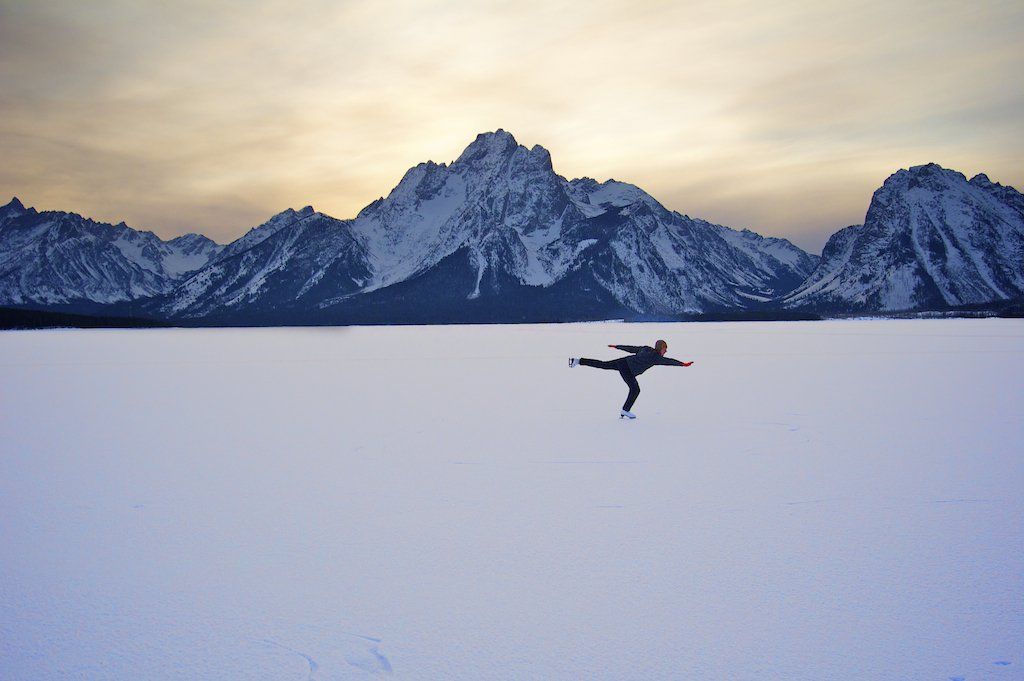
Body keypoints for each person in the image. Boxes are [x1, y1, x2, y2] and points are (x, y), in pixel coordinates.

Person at [569, 340, 693, 419]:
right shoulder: (656, 357)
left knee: (603, 364)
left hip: (623, 362)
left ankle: (578, 361)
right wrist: (682, 364)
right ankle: (625, 410)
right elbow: (669, 361)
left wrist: (617, 346)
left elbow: (631, 348)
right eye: (664, 349)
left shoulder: (646, 348)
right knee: (635, 390)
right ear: (660, 348)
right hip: (627, 368)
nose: (666, 351)